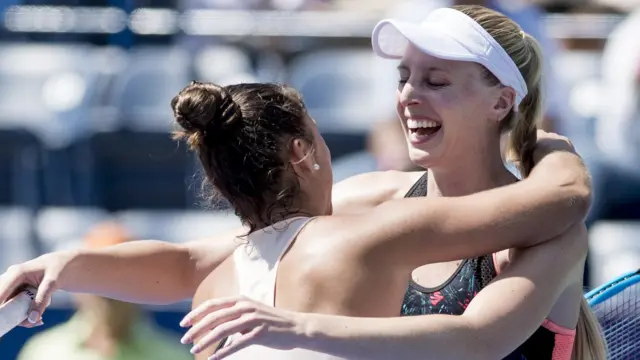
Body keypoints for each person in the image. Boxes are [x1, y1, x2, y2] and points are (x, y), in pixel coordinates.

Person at [0, 4, 602, 359]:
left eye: (436, 80)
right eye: (404, 76)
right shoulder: (370, 198)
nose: (409, 95)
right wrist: (67, 263)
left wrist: (298, 328)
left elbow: (479, 342)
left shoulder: (552, 230)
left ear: (501, 102)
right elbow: (197, 261)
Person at [16, 222, 191, 360]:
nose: (110, 294)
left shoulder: (174, 355)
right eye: (96, 280)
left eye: (123, 282)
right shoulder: (43, 352)